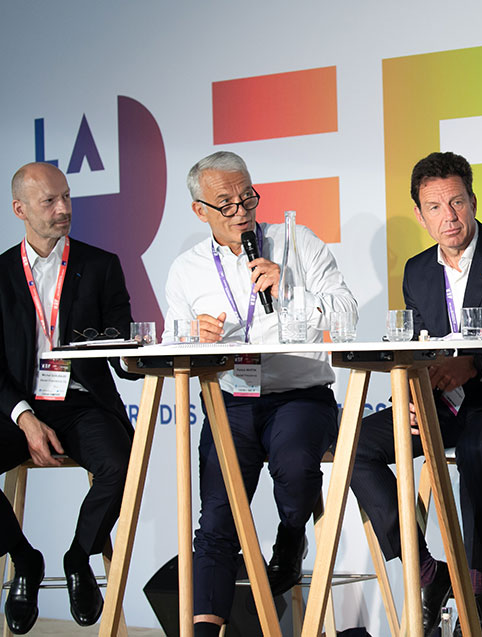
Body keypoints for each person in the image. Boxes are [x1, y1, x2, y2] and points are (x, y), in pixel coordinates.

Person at [349, 151, 482, 635]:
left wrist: (475, 366)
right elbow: (419, 351)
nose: (448, 216)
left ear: (472, 201)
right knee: (356, 444)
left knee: (476, 445)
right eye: (435, 207)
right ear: (420, 215)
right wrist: (412, 397)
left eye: (456, 202)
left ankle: (476, 580)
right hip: (448, 404)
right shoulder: (417, 271)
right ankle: (427, 573)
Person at [163, 151, 357, 636]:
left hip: (299, 394)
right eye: (226, 204)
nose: (241, 211)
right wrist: (192, 335)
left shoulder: (298, 242)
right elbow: (170, 340)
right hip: (230, 398)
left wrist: (290, 291)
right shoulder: (186, 269)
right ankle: (204, 628)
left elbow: (347, 313)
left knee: (294, 470)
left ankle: (291, 536)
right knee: (217, 517)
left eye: (247, 197)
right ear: (200, 210)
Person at [0, 162, 138, 634]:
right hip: (18, 405)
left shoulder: (101, 265)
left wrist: (139, 352)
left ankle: (79, 558)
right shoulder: (0, 273)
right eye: (49, 201)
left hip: (81, 401)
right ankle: (25, 559)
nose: (63, 209)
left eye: (66, 197)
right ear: (20, 210)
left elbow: (122, 350)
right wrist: (24, 418)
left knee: (122, 464)